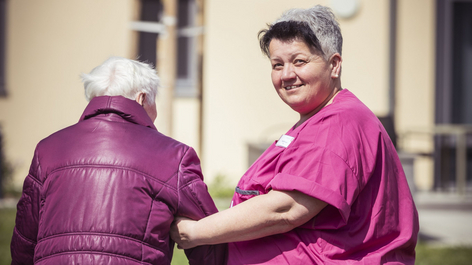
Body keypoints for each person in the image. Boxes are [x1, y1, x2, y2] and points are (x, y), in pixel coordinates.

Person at [171, 5, 419, 264]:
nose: (287, 75)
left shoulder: (341, 121)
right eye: (277, 64)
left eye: (299, 61)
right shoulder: (315, 120)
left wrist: (196, 232)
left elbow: (286, 209)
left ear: (334, 65)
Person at [10, 57, 226, 265]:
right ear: (142, 99)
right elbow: (210, 238)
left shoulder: (47, 149)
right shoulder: (174, 156)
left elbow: (25, 241)